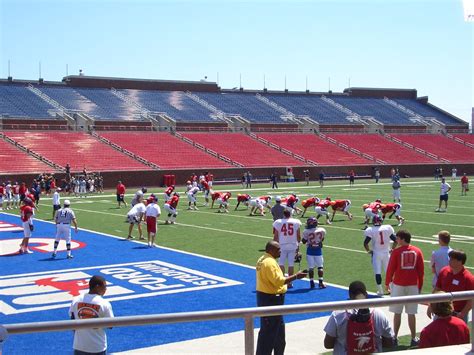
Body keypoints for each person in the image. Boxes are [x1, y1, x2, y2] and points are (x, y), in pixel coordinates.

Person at [256, 241, 307, 355]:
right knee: (268, 334)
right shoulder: (269, 263)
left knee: (278, 334)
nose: (280, 251)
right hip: (271, 300)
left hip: (268, 298)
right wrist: (296, 276)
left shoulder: (263, 259)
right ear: (271, 250)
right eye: (278, 249)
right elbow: (278, 282)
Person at [323, 280, 394, 354]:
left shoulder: (337, 315)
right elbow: (389, 343)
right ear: (366, 294)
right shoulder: (379, 314)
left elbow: (328, 344)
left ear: (350, 296)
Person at [385, 230, 424, 346]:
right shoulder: (417, 251)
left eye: (397, 238)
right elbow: (421, 272)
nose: (396, 240)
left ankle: (395, 337)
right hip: (412, 285)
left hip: (398, 285)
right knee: (411, 313)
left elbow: (390, 269)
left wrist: (387, 283)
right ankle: (413, 337)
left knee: (397, 312)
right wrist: (420, 286)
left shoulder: (396, 252)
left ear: (402, 239)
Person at [69, 275, 114, 355]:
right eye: (104, 286)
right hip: (97, 347)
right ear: (97, 287)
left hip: (79, 345)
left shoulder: (76, 300)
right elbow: (111, 324)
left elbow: (72, 321)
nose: (105, 289)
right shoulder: (104, 303)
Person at [430, 250, 474, 322]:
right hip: (441, 310)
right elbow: (437, 289)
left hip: (458, 313)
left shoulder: (468, 278)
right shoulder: (444, 271)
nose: (449, 261)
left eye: (452, 259)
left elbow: (471, 299)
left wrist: (462, 314)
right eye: (450, 258)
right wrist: (431, 305)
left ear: (460, 262)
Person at [363, 216, 396, 295]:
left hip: (377, 253)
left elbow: (365, 243)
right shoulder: (387, 228)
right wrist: (392, 249)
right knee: (388, 271)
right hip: (386, 253)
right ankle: (392, 290)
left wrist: (368, 251)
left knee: (377, 272)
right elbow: (395, 240)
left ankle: (380, 291)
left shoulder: (370, 230)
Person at [273, 209, 302, 288]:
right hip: (293, 245)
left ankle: (283, 281)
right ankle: (290, 282)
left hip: (282, 245)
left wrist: (274, 246)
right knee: (291, 264)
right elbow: (298, 236)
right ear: (290, 214)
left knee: (281, 263)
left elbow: (275, 236)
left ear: (284, 214)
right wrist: (298, 246)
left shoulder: (278, 222)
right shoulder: (296, 222)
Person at [302, 217, 326, 289]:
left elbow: (303, 241)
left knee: (311, 268)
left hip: (310, 250)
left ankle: (311, 283)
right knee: (320, 267)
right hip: (318, 251)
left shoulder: (306, 231)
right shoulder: (322, 230)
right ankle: (321, 282)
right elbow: (322, 239)